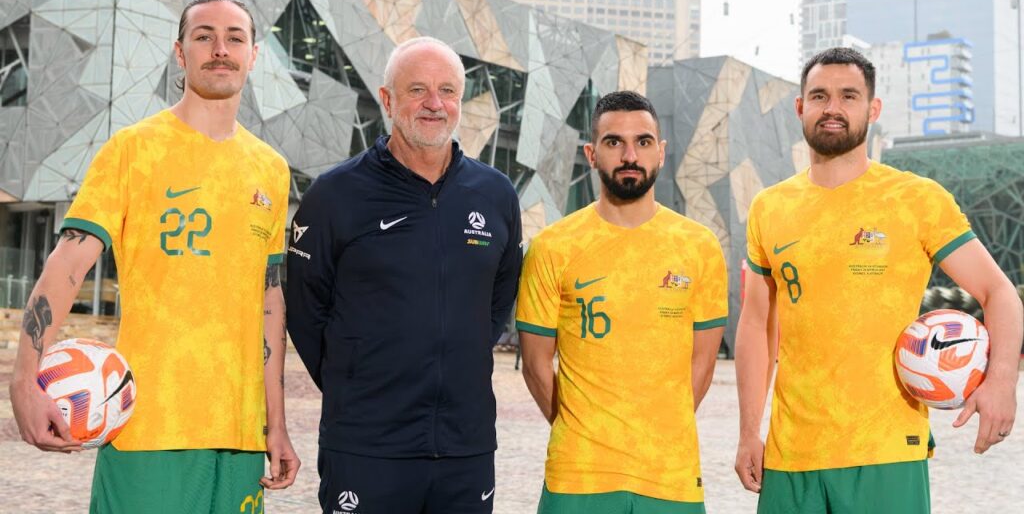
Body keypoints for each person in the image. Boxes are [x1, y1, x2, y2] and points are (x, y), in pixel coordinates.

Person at [9, 0, 300, 513]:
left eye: (235, 38)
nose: (220, 49)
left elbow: (269, 306)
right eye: (203, 36)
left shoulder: (271, 170)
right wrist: (24, 379)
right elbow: (68, 266)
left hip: (238, 437)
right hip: (146, 425)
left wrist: (274, 425)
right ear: (180, 52)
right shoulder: (132, 149)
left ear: (253, 55)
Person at [734, 47, 1023, 513]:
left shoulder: (917, 199)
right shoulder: (770, 207)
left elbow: (999, 292)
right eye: (819, 95)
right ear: (800, 107)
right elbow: (756, 323)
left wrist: (1002, 379)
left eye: (849, 96)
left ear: (872, 109)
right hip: (791, 453)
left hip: (886, 448)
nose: (833, 107)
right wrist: (750, 431)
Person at [286, 36, 523, 514]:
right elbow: (306, 312)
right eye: (417, 90)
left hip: (466, 446)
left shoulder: (495, 195)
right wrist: (358, 383)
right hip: (366, 447)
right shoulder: (335, 195)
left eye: (448, 91)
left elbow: (496, 302)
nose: (435, 104)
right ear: (388, 99)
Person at [516, 90, 728, 514]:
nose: (630, 155)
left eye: (643, 142)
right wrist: (579, 430)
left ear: (661, 152)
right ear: (592, 154)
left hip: (670, 477)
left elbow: (702, 363)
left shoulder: (699, 247)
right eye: (614, 142)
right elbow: (537, 363)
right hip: (578, 475)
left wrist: (659, 430)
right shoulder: (554, 247)